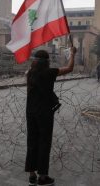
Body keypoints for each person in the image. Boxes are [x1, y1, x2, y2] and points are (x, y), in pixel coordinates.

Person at [25, 47, 77, 186]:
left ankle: (31, 175)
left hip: (30, 112)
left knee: (32, 141)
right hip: (44, 113)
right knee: (44, 143)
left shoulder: (29, 73)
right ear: (47, 62)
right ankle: (43, 177)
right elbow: (69, 68)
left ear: (35, 61)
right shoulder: (49, 72)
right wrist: (72, 54)